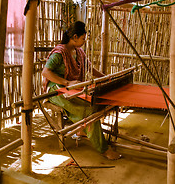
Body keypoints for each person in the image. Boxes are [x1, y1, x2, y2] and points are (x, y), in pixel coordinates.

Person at [42, 21, 121, 160]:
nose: (84, 41)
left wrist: (106, 78)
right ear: (74, 37)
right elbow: (46, 72)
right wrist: (67, 82)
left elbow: (90, 68)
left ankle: (81, 130)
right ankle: (104, 149)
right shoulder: (60, 53)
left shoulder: (79, 52)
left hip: (70, 88)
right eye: (83, 38)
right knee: (89, 112)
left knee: (97, 103)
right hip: (56, 91)